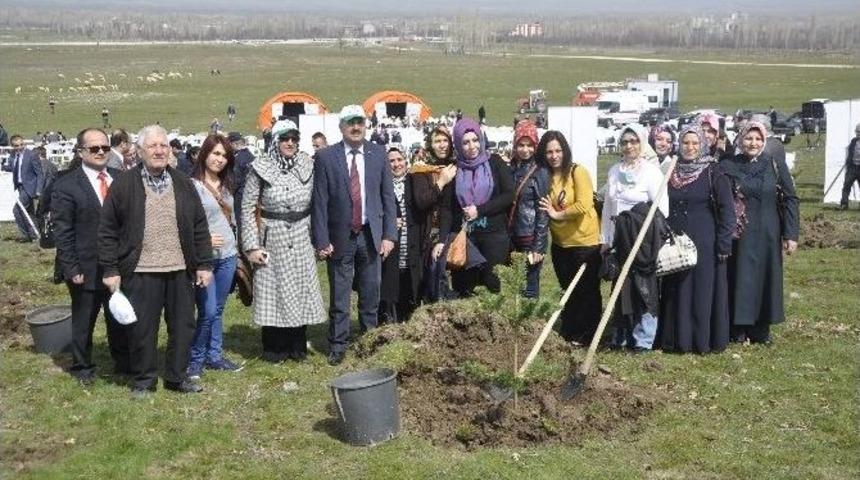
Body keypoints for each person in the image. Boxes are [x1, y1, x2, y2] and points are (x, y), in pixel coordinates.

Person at [99, 124, 213, 396]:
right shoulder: (124, 184)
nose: (159, 151)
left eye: (163, 145)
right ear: (139, 151)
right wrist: (110, 268)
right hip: (141, 270)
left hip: (180, 269)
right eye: (152, 146)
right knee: (142, 329)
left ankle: (176, 377)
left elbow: (199, 226)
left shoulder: (183, 183)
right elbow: (107, 230)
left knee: (183, 327)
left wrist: (205, 264)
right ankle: (144, 380)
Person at [312, 105, 396, 366]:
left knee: (371, 293)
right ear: (341, 127)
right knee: (340, 294)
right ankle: (338, 344)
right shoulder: (326, 157)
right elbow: (320, 202)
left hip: (371, 235)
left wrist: (389, 235)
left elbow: (387, 198)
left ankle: (369, 339)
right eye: (350, 123)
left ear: (365, 125)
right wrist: (322, 240)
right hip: (340, 237)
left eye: (359, 122)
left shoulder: (378, 153)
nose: (356, 127)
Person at [52, 128, 131, 384]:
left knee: (117, 316)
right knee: (84, 319)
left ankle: (123, 361)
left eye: (105, 148)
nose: (100, 152)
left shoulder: (121, 179)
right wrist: (71, 267)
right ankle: (82, 366)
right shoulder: (66, 184)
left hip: (117, 265)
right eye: (94, 148)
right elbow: (62, 231)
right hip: (84, 266)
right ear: (80, 151)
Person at [242, 121, 325, 363]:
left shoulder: (308, 165)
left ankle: (297, 346)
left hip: (301, 233)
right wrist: (252, 246)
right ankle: (274, 348)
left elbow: (319, 202)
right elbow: (247, 208)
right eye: (285, 138)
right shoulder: (260, 167)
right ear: (276, 140)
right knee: (273, 290)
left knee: (299, 290)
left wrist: (319, 239)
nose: (290, 143)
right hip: (273, 236)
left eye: (294, 138)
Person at [658, 125, 736, 354]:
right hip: (676, 242)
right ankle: (677, 340)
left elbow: (727, 211)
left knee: (702, 290)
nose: (690, 148)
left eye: (694, 143)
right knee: (677, 289)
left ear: (702, 144)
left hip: (705, 241)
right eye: (685, 143)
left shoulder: (714, 172)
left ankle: (701, 340)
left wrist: (724, 243)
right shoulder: (671, 171)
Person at [721, 120, 799, 345]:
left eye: (757, 139)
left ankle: (760, 329)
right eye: (748, 138)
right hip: (739, 233)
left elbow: (791, 199)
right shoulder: (728, 165)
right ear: (741, 139)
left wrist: (791, 234)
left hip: (767, 232)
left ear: (764, 141)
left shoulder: (774, 164)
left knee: (765, 278)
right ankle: (738, 328)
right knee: (739, 278)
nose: (753, 143)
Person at [601, 125, 668, 352]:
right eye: (625, 142)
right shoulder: (613, 171)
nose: (629, 146)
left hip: (643, 239)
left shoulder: (651, 172)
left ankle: (644, 338)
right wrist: (606, 239)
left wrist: (638, 225)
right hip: (619, 239)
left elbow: (662, 209)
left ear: (641, 143)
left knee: (643, 288)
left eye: (634, 141)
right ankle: (621, 334)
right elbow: (608, 207)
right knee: (621, 288)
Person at [434, 117, 514, 296]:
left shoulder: (495, 163)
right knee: (465, 289)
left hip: (494, 236)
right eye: (466, 142)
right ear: (457, 144)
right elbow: (447, 209)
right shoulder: (454, 169)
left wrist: (480, 210)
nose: (472, 146)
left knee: (492, 286)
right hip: (465, 238)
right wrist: (441, 240)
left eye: (475, 140)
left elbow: (509, 195)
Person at [537, 131, 602, 344]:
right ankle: (570, 328)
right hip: (560, 243)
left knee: (587, 290)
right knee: (567, 288)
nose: (554, 156)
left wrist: (557, 214)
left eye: (558, 150)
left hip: (584, 241)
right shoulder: (544, 176)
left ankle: (588, 333)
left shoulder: (577, 172)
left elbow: (584, 204)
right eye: (549, 152)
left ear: (565, 151)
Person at [186, 135, 243, 378]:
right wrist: (204, 239)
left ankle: (215, 356)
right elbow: (183, 223)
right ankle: (196, 358)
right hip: (204, 259)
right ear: (204, 154)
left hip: (228, 255)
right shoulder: (191, 186)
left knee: (218, 309)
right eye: (215, 153)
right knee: (207, 310)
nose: (219, 159)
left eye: (224, 155)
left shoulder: (227, 184)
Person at [411, 126, 458, 302]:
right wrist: (441, 182)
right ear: (430, 144)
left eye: (445, 140)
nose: (442, 145)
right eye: (437, 141)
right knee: (430, 278)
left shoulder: (456, 166)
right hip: (427, 232)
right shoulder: (421, 169)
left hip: (453, 230)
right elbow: (422, 201)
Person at [379, 145, 423, 323]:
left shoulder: (415, 182)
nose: (396, 164)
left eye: (399, 160)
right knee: (391, 288)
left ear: (406, 161)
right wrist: (386, 221)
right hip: (392, 249)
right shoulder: (381, 185)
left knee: (410, 287)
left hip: (412, 246)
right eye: (391, 161)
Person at [508, 121, 550, 298]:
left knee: (530, 286)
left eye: (529, 145)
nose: (525, 150)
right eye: (521, 145)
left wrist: (538, 247)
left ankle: (532, 324)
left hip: (529, 235)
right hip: (511, 235)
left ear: (536, 146)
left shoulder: (540, 171)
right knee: (514, 285)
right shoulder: (511, 169)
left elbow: (543, 210)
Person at [2, 134, 44, 242]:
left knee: (17, 210)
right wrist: (2, 167)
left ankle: (27, 235)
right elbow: (12, 168)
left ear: (24, 144)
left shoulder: (32, 155)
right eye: (16, 145)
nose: (19, 147)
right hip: (20, 187)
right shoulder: (13, 155)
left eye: (21, 144)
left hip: (30, 187)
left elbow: (39, 173)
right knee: (29, 212)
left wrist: (39, 189)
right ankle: (36, 234)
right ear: (12, 146)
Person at [228, 131, 255, 237]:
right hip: (253, 193)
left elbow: (236, 180)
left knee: (241, 223)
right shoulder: (251, 155)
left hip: (241, 195)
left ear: (233, 144)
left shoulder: (237, 158)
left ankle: (243, 250)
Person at [839, 123, 860, 210]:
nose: (858, 133)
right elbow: (850, 152)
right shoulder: (853, 141)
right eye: (857, 132)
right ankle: (844, 204)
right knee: (846, 185)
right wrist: (848, 162)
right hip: (852, 167)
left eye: (859, 132)